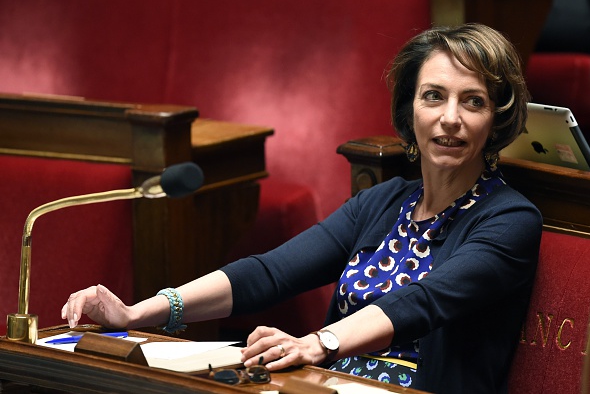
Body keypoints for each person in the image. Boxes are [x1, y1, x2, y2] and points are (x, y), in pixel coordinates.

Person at [61, 23, 542, 393]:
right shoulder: (383, 201)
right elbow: (271, 272)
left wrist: (318, 342)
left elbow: (425, 300)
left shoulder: (510, 219)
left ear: (495, 120)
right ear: (409, 109)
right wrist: (136, 313)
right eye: (433, 96)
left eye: (472, 101)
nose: (450, 118)